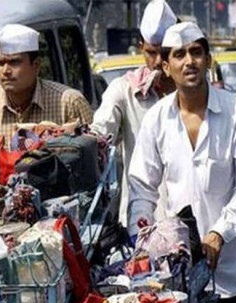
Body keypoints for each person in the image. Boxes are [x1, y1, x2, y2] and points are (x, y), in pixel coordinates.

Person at [128, 22, 236, 303]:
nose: (189, 61)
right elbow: (141, 187)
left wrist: (219, 232)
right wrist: (143, 243)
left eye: (196, 52)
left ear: (208, 60)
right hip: (182, 272)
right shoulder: (157, 120)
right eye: (179, 54)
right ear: (165, 66)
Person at [92, 0, 177, 227]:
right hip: (142, 222)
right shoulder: (124, 91)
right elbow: (100, 133)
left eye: (165, 53)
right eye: (151, 53)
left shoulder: (195, 94)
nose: (159, 62)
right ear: (141, 47)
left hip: (192, 219)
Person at [0, 24, 93, 148]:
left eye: (14, 62)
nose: (5, 71)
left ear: (36, 66)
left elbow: (96, 156)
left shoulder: (69, 103)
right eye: (0, 63)